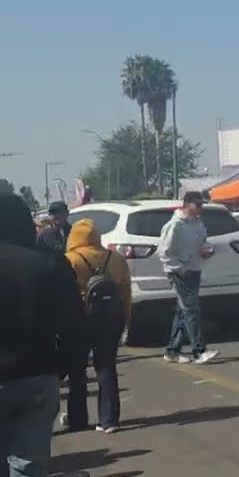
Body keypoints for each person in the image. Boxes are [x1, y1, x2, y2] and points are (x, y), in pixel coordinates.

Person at [0, 194, 87, 475]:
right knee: (29, 465)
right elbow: (75, 326)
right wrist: (62, 369)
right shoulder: (51, 264)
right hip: (38, 378)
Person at [63, 218, 132, 434]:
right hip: (111, 320)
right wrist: (126, 321)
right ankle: (109, 420)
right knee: (106, 367)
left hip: (80, 319)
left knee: (77, 370)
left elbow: (62, 294)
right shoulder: (116, 258)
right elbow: (126, 293)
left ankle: (77, 419)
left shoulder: (69, 260)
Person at [159, 191, 220, 365]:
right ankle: (199, 350)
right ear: (187, 205)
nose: (200, 208)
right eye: (197, 205)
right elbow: (164, 252)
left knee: (183, 311)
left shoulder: (198, 224)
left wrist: (206, 251)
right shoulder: (175, 225)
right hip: (180, 272)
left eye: (202, 205)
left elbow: (202, 244)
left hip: (194, 269)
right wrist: (179, 268)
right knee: (191, 310)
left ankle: (172, 350)